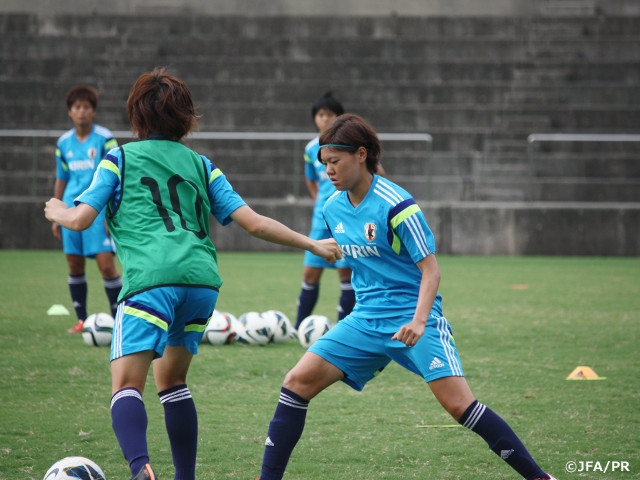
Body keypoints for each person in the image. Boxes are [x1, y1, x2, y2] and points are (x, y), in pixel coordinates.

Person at [44, 67, 342, 480]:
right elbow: (253, 222)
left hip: (151, 281)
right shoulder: (202, 165)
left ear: (136, 115)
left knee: (126, 386)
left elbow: (80, 219)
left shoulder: (120, 158)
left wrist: (56, 208)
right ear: (185, 116)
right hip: (201, 284)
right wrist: (311, 244)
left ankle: (139, 469)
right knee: (172, 381)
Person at [256, 114, 557, 480]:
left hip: (413, 317)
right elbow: (359, 261)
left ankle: (541, 478)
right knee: (296, 383)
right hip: (366, 319)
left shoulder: (398, 205)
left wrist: (418, 321)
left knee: (460, 406)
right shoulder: (332, 206)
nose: (329, 171)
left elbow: (432, 271)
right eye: (325, 164)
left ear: (361, 154)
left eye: (335, 162)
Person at [295, 92, 384, 329]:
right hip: (321, 220)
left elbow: (378, 174)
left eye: (330, 114)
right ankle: (298, 327)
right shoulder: (311, 148)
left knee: (346, 275)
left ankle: (343, 327)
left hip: (349, 218)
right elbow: (311, 179)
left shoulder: (350, 149)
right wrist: (321, 203)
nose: (324, 119)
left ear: (339, 117)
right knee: (310, 273)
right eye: (320, 115)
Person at [53, 85, 122, 333]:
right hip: (71, 209)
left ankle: (120, 321)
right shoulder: (63, 143)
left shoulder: (105, 139)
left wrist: (112, 211)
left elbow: (117, 176)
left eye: (86, 107)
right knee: (74, 263)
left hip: (98, 210)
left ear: (93, 112)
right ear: (70, 112)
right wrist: (57, 211)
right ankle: (82, 320)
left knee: (106, 265)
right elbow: (62, 177)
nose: (82, 112)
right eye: (77, 107)